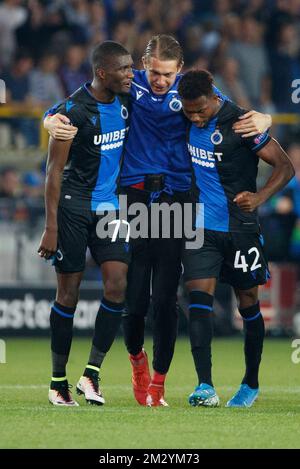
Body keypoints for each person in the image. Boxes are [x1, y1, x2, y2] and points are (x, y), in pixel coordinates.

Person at [44, 34, 272, 407]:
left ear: (179, 71)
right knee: (133, 299)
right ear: (142, 65)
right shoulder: (128, 84)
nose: (159, 81)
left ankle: (158, 384)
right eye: (153, 72)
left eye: (167, 74)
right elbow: (65, 106)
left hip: (177, 200)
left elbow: (234, 112)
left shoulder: (192, 93)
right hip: (131, 199)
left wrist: (267, 116)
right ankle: (136, 361)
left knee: (165, 299)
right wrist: (48, 121)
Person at [178, 69, 294, 407]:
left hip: (241, 229)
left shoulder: (243, 123)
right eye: (189, 112)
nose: (195, 118)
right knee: (198, 298)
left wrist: (259, 198)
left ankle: (251, 383)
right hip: (201, 227)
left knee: (248, 303)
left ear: (215, 97)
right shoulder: (183, 111)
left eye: (200, 110)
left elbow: (285, 166)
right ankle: (205, 386)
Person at [38, 41, 134, 406]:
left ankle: (91, 375)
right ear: (102, 73)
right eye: (123, 70)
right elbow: (52, 171)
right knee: (69, 294)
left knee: (116, 286)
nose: (130, 75)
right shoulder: (73, 112)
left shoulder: (126, 100)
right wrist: (51, 227)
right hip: (73, 208)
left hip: (109, 209)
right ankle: (57, 381)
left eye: (130, 68)